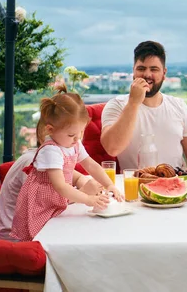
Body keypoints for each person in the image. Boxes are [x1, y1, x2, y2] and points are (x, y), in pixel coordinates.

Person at [10, 84, 123, 242]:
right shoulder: (51, 151)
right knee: (42, 240)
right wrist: (87, 199)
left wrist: (109, 184)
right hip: (41, 207)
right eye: (72, 134)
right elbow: (60, 186)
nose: (77, 139)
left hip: (56, 203)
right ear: (50, 129)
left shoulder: (73, 143)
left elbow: (91, 165)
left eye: (81, 132)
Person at [101, 41, 187, 170]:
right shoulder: (116, 105)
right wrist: (133, 103)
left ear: (164, 73)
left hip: (174, 182)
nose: (147, 75)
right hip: (135, 185)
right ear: (133, 71)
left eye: (154, 69)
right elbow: (112, 148)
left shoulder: (178, 106)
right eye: (141, 68)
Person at [0, 119, 103, 241]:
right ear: (48, 136)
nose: (76, 140)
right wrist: (84, 193)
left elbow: (77, 177)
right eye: (70, 135)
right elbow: (47, 201)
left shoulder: (52, 158)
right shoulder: (35, 163)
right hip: (17, 236)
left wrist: (87, 184)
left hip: (39, 224)